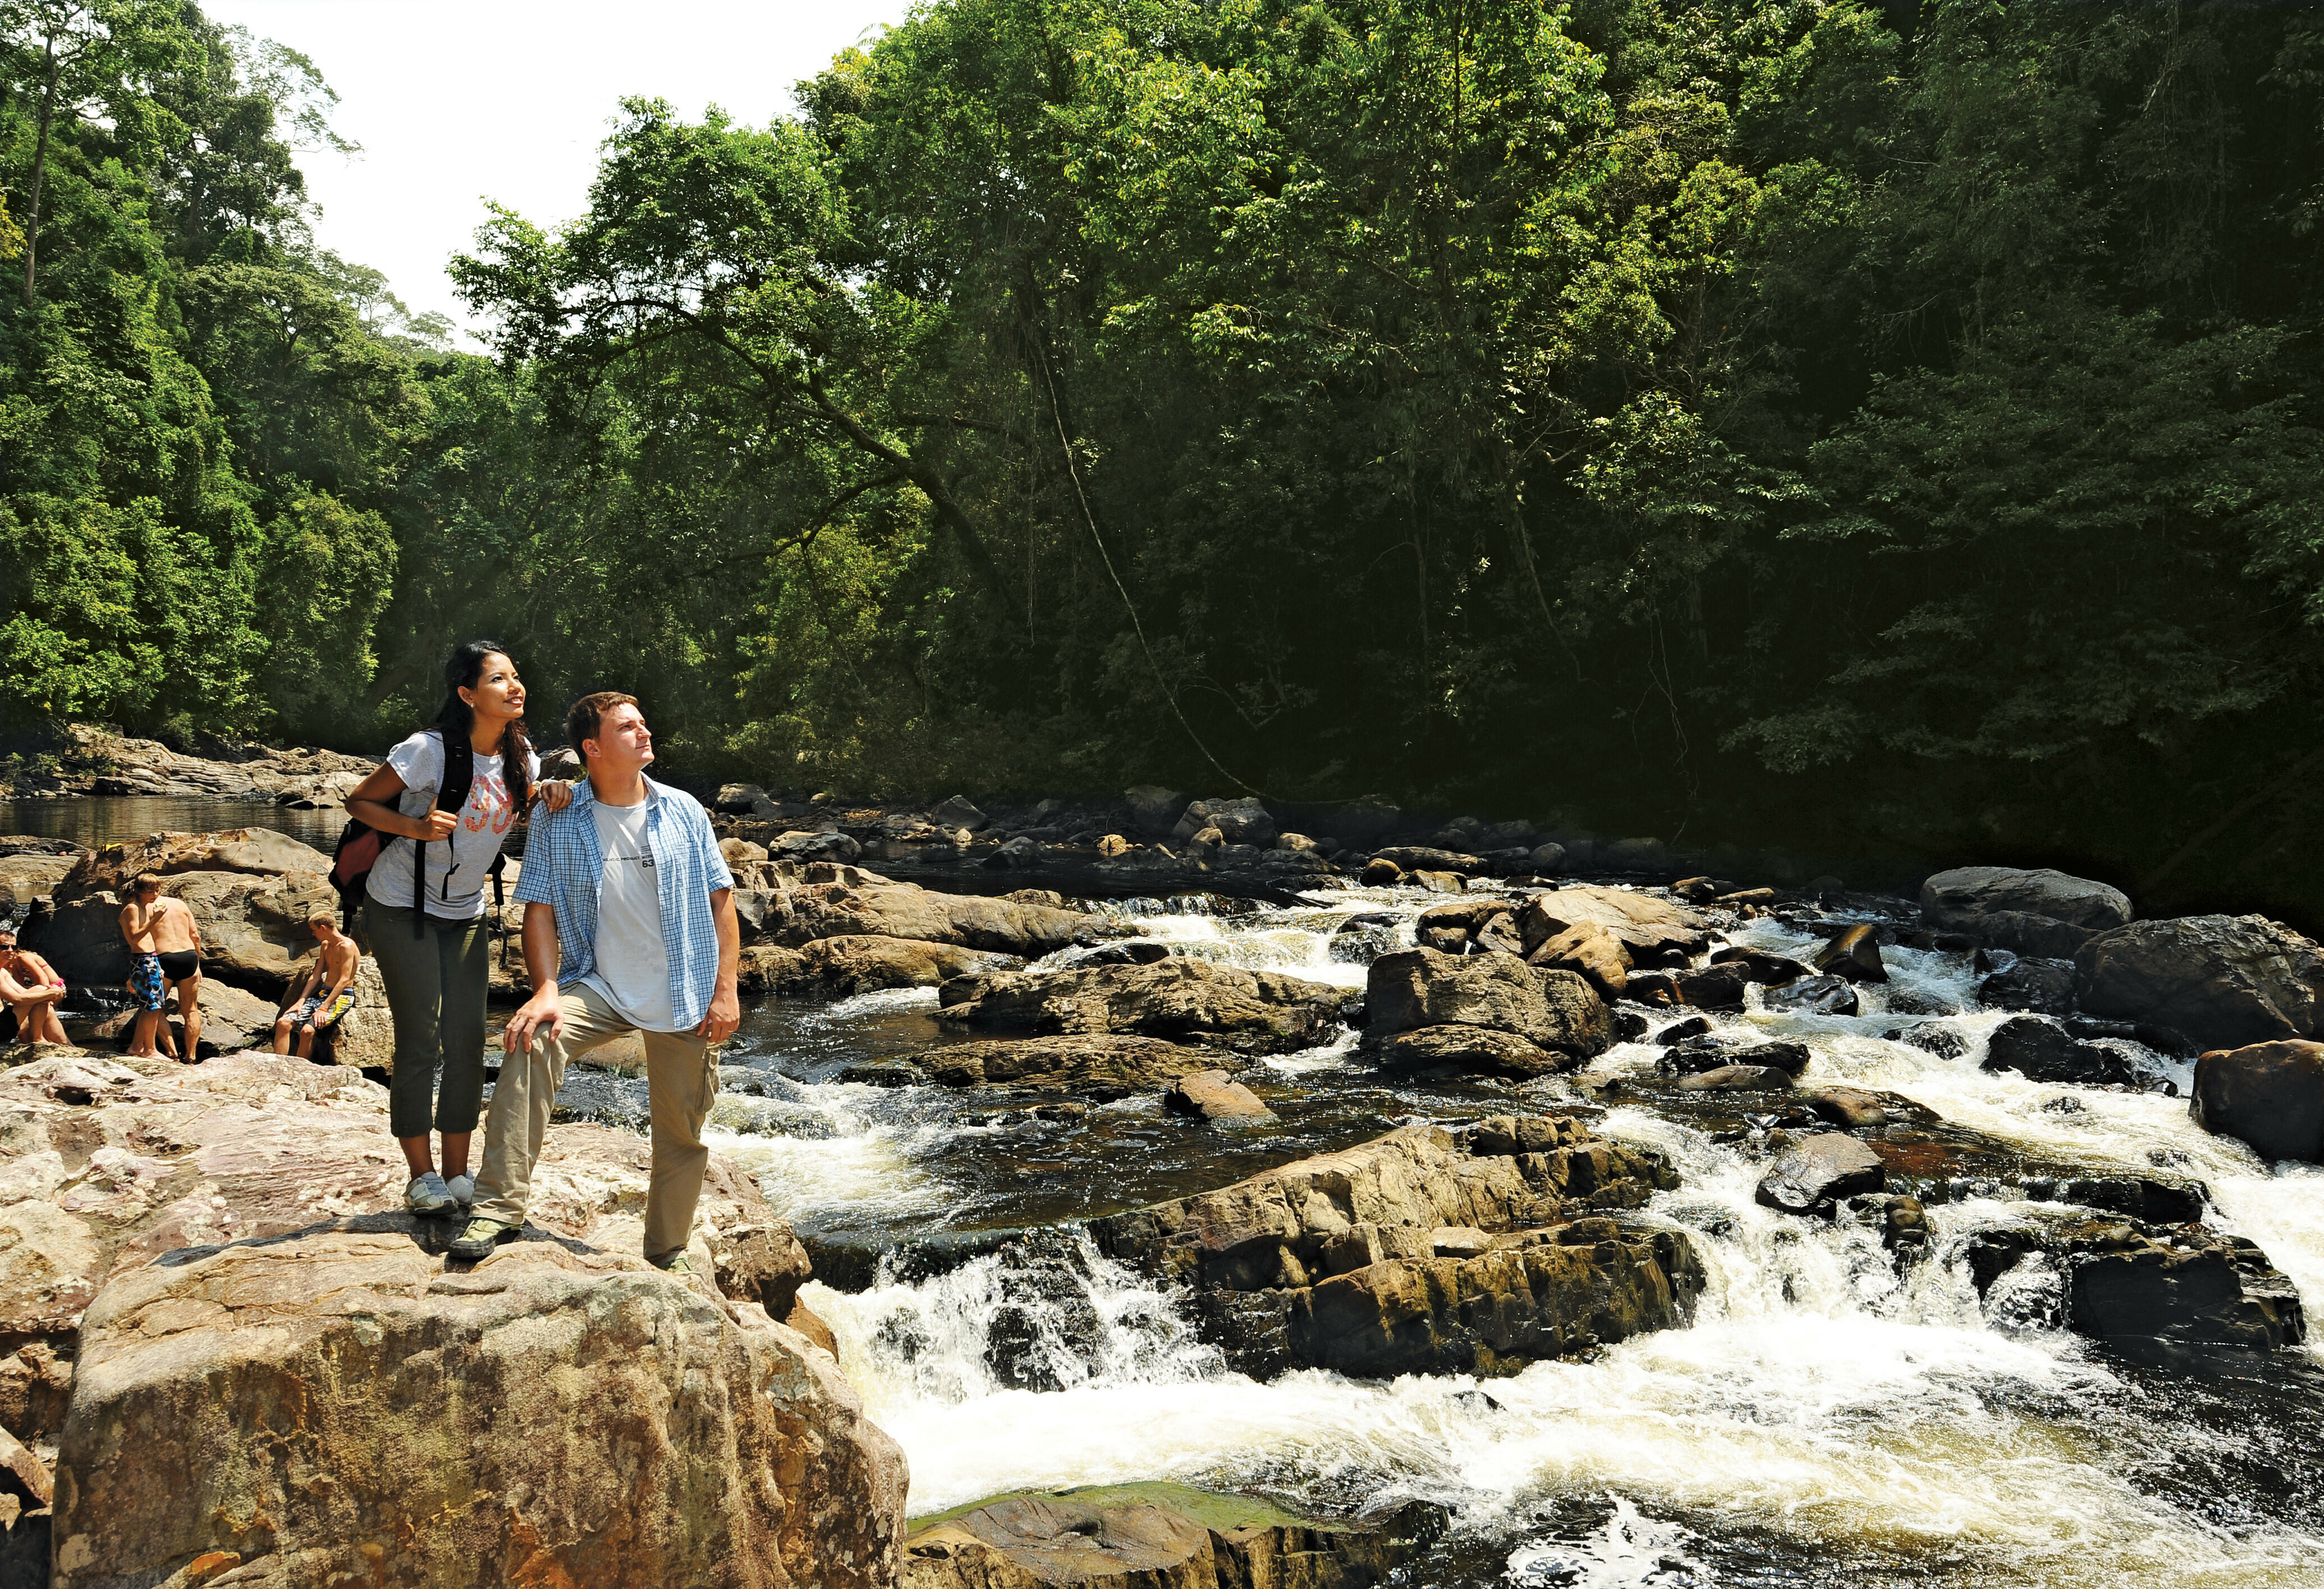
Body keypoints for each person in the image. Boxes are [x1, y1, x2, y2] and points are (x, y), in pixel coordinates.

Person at [452, 692, 740, 1270]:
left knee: (681, 1135)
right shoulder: (561, 816)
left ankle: (667, 1254)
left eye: (643, 722)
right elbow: (538, 906)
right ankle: (498, 1209)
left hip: (685, 989)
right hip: (600, 984)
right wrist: (546, 989)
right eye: (627, 727)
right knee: (532, 1038)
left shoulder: (683, 809)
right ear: (593, 747)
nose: (644, 732)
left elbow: (722, 900)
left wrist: (726, 989)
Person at [345, 641, 572, 1218]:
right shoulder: (426, 751)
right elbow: (359, 803)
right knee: (421, 1039)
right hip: (400, 907)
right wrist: (413, 827)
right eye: (499, 680)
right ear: (468, 694)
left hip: (467, 912)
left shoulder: (524, 758)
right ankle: (420, 1176)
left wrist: (550, 793)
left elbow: (527, 805)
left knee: (469, 1042)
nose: (515, 687)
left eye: (516, 677)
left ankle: (456, 1170)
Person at [118, 875, 203, 1061]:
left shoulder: (146, 907)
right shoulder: (179, 904)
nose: (154, 895)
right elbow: (195, 935)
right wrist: (197, 964)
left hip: (162, 958)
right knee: (190, 1010)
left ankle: (171, 1052)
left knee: (155, 1007)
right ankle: (191, 1056)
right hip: (188, 957)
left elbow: (139, 940)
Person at [273, 909, 361, 1058]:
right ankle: (278, 1066)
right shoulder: (326, 945)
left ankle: (300, 1070)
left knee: (307, 1031)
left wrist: (324, 1008)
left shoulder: (347, 946)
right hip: (323, 993)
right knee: (283, 1023)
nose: (313, 934)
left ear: (323, 928)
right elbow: (316, 975)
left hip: (341, 997)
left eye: (314, 930)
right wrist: (301, 1001)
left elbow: (345, 979)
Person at [0, 926, 68, 1047]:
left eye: (14, 947)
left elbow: (23, 992)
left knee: (42, 1000)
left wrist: (45, 994)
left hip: (5, 1026)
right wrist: (49, 993)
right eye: (4, 947)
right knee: (40, 992)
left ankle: (64, 1046)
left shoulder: (4, 972)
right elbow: (17, 999)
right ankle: (38, 1040)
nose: (10, 950)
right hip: (2, 1030)